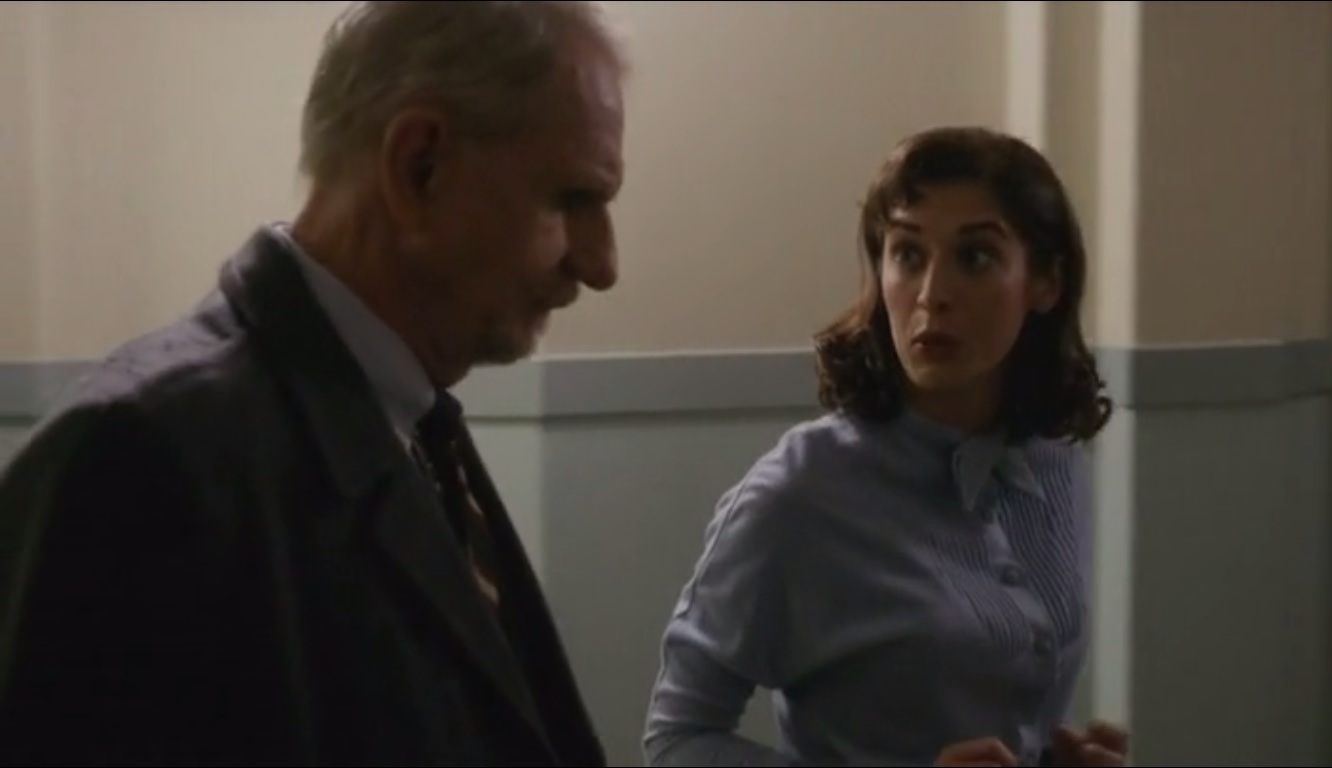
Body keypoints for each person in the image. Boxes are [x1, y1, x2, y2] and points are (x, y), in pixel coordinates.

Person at [0, 1, 626, 765]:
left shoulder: (418, 432)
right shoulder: (135, 461)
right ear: (419, 167)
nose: (601, 265)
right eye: (571, 201)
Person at [642, 126, 1129, 767]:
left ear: (1044, 282)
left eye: (975, 257)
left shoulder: (1056, 464)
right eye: (907, 254)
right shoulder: (800, 494)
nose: (932, 294)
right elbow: (676, 740)